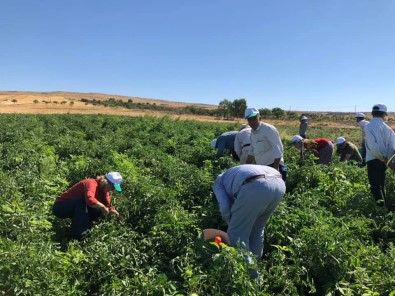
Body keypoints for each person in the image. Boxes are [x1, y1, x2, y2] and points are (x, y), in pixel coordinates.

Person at [213, 164, 286, 278]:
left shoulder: (218, 183)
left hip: (255, 186)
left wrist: (232, 223)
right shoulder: (233, 174)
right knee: (257, 230)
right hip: (279, 184)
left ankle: (251, 277)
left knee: (237, 234)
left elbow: (224, 206)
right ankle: (256, 265)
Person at [52, 172, 123, 239]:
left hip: (76, 208)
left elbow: (108, 206)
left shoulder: (104, 192)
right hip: (60, 207)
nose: (113, 190)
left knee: (98, 210)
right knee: (82, 202)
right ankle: (78, 236)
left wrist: (116, 214)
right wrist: (102, 207)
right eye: (113, 188)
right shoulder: (91, 183)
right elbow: (90, 199)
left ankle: (85, 231)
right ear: (106, 183)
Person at [244, 107, 287, 180]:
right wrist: (245, 167)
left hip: (274, 165)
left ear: (259, 118)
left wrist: (275, 169)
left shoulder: (268, 129)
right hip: (262, 168)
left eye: (254, 118)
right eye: (249, 119)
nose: (251, 122)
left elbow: (278, 149)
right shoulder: (252, 133)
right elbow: (252, 151)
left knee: (277, 189)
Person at [364, 104, 395, 206]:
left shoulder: (368, 126)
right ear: (384, 114)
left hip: (374, 159)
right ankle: (384, 209)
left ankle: (381, 210)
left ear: (372, 113)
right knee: (381, 185)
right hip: (385, 161)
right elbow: (392, 147)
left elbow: (373, 146)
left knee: (376, 187)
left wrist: (383, 158)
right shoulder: (388, 129)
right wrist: (388, 160)